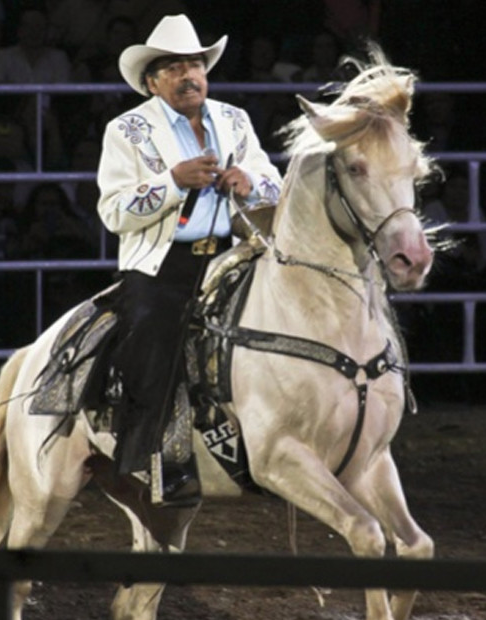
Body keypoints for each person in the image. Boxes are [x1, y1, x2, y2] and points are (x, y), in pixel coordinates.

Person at [97, 14, 283, 505]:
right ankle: (164, 460)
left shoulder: (234, 120)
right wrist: (173, 181)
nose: (189, 74)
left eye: (196, 63)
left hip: (233, 255)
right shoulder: (127, 131)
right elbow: (114, 211)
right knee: (156, 336)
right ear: (152, 82)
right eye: (175, 67)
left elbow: (272, 180)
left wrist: (249, 180)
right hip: (163, 266)